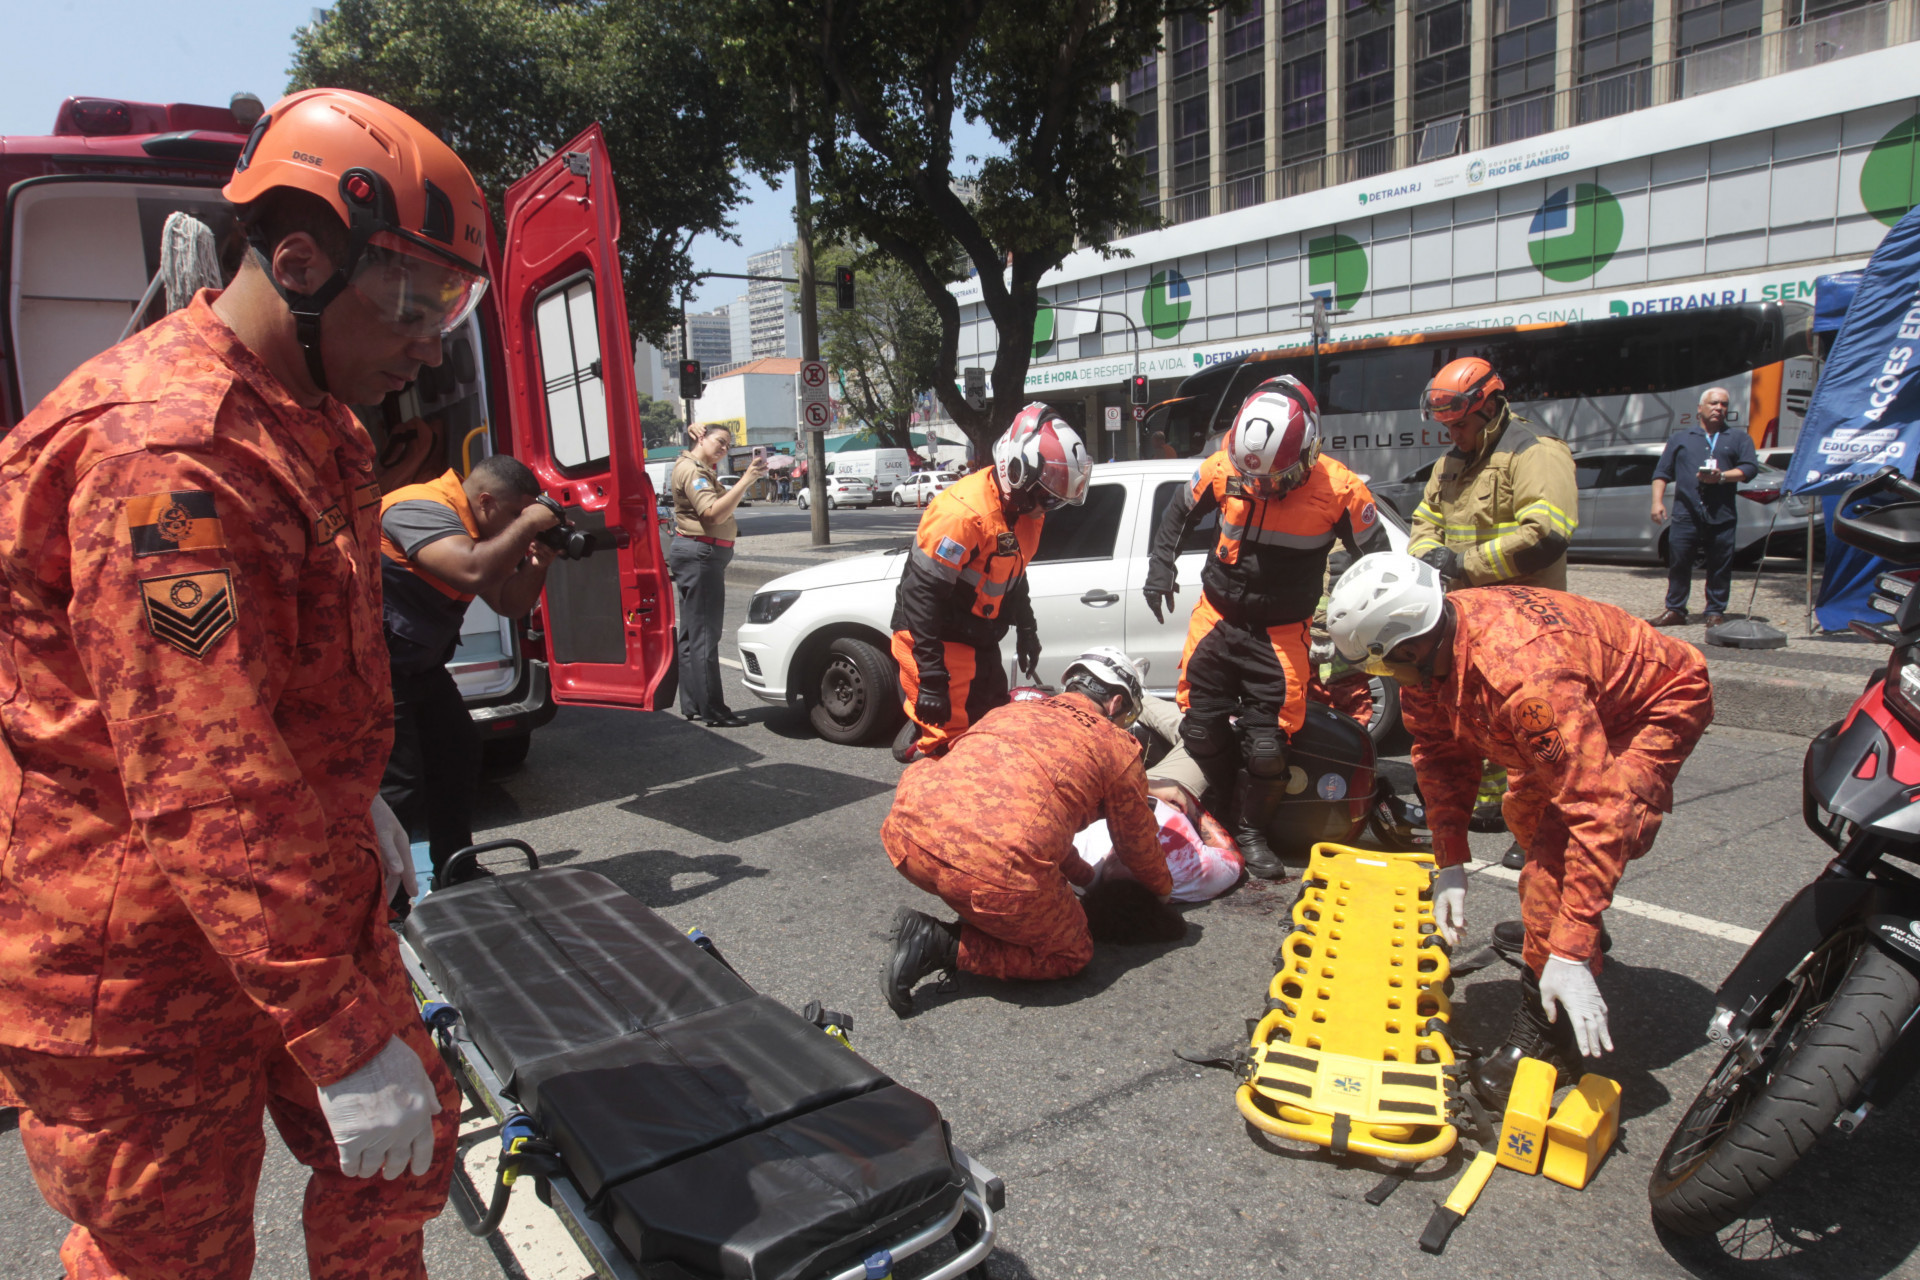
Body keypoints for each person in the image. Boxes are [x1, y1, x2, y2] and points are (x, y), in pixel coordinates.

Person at [0, 88, 483, 1279]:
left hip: (282, 903)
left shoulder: (315, 420)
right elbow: (207, 780)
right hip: (138, 958)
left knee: (405, 1145)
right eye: (414, 302)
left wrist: (350, 794)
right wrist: (337, 1028)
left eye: (450, 306)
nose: (432, 342)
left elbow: (283, 680)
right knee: (173, 1251)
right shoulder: (168, 453)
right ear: (303, 260)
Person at [1326, 552, 1712, 1107]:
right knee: (1525, 813)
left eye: (1384, 667)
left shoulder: (1527, 682)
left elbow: (1597, 811)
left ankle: (1548, 1040)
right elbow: (1439, 754)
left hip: (1651, 704)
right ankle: (1559, 932)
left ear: (1409, 645)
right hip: (1582, 696)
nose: (1385, 679)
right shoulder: (1432, 641)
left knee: (1552, 865)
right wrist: (1450, 860)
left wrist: (1572, 946)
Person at [1142, 376, 1387, 880]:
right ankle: (1221, 809)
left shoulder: (1340, 489)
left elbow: (1379, 560)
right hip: (1217, 618)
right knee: (1201, 729)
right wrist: (1159, 566)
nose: (1262, 488)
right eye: (1254, 478)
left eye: (1276, 479)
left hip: (1279, 634)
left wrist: (1364, 617)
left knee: (1269, 746)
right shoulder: (1225, 465)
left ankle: (1251, 831)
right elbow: (1178, 512)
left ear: (1309, 449)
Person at [880, 650, 1171, 1013]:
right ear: (1115, 703)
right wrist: (1161, 891)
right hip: (989, 873)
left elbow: (1027, 813)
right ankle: (940, 943)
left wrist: (1084, 875)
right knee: (1072, 951)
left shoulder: (1010, 711)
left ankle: (990, 907)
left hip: (907, 839)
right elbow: (1137, 842)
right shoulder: (1116, 746)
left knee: (1014, 839)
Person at [1407, 356, 1580, 862]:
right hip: (1472, 617)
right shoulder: (1452, 462)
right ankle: (1491, 809)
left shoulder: (1536, 453)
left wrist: (1462, 564)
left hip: (1529, 620)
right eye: (1446, 426)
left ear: (1491, 406)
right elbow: (1425, 519)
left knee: (1536, 730)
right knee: (1480, 722)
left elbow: (1545, 536)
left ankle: (1540, 833)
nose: (1453, 436)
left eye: (1460, 424)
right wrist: (1427, 560)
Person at [379, 455, 560, 883]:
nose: (523, 523)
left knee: (459, 754)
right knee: (399, 786)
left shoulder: (477, 529)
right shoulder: (418, 507)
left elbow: (510, 603)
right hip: (378, 670)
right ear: (485, 501)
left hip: (419, 666)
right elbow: (470, 569)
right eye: (517, 513)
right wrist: (531, 522)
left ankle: (455, 869)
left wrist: (539, 564)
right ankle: (386, 896)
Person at [890, 404, 1092, 758]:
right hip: (934, 637)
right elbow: (920, 596)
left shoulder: (1026, 511)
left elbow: (1015, 574)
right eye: (1046, 494)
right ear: (1015, 470)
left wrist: (1028, 631)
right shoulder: (963, 515)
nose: (1049, 505)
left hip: (975, 635)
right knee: (953, 748)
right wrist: (933, 680)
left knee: (994, 723)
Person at [671, 425, 766, 727]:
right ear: (701, 438)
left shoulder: (697, 467)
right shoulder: (693, 471)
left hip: (700, 554)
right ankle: (713, 709)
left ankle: (694, 703)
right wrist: (747, 479)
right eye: (720, 442)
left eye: (728, 444)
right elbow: (712, 514)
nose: (724, 449)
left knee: (691, 635)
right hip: (701, 555)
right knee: (705, 637)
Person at [1648, 386, 1759, 628]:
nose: (1719, 408)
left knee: (1720, 565)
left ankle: (1715, 611)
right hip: (1686, 514)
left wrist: (1722, 477)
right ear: (1700, 408)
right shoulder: (1681, 439)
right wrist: (1657, 502)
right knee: (1678, 563)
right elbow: (1661, 473)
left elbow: (1749, 469)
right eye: (1714, 403)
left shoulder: (1739, 438)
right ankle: (1675, 609)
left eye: (1724, 404)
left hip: (1721, 515)